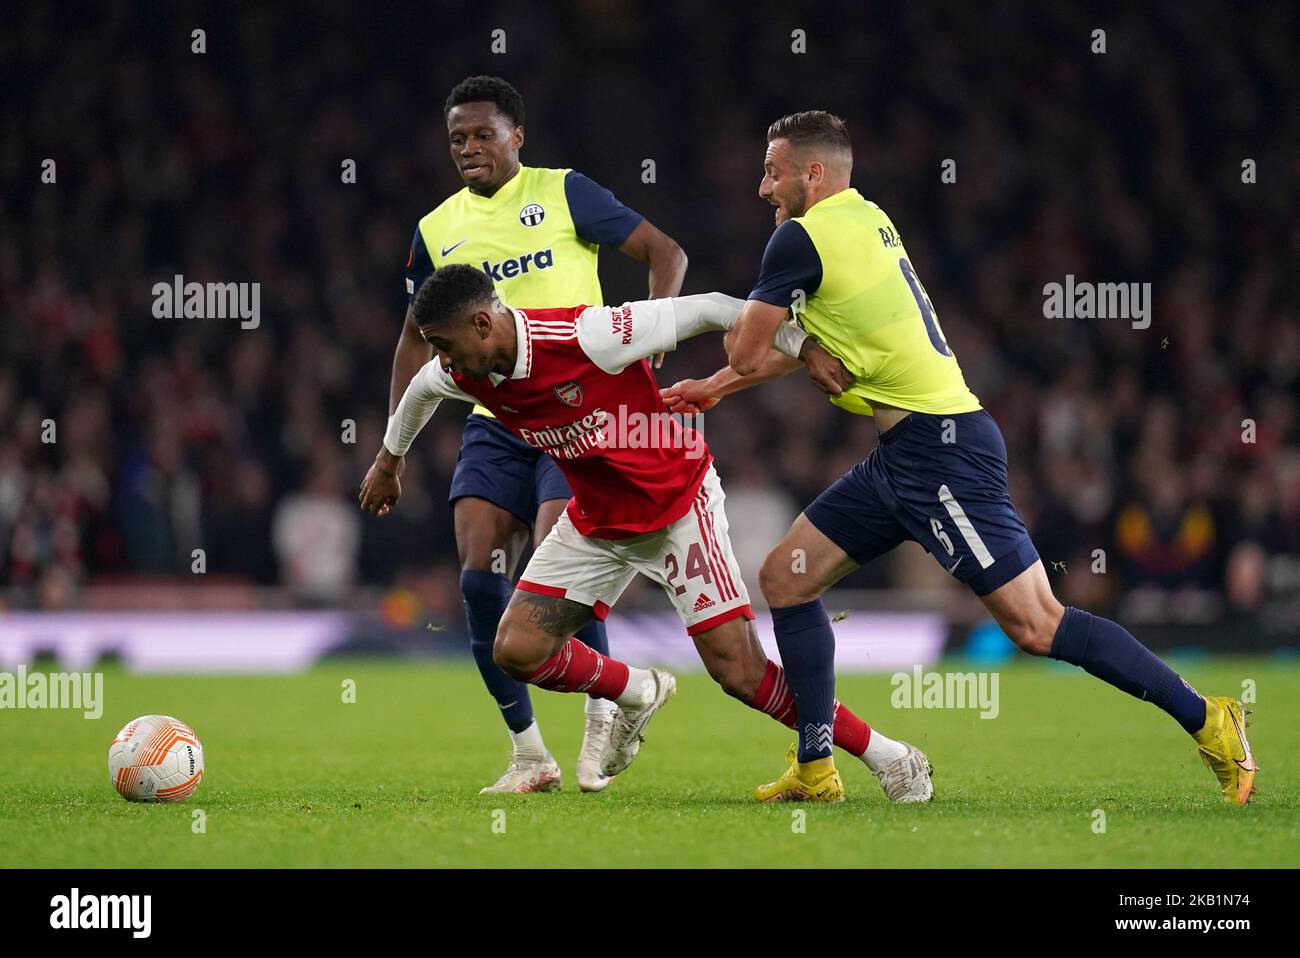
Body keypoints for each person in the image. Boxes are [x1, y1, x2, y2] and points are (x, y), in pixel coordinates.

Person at [662, 110, 1258, 805]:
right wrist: (719, 386)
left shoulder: (800, 239)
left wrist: (752, 359)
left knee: (1037, 624)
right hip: (902, 453)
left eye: (772, 171)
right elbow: (821, 357)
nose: (763, 186)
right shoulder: (863, 220)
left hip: (942, 453)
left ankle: (1211, 718)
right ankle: (817, 767)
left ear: (812, 174)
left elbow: (748, 345)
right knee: (787, 579)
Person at [360, 264, 936, 803]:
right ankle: (637, 689)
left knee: (739, 673)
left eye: (444, 342)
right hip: (597, 522)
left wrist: (803, 346)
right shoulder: (466, 367)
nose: (441, 357)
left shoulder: (591, 335)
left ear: (483, 323)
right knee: (516, 650)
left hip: (677, 506)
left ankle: (888, 755)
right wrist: (389, 461)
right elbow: (420, 391)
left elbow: (714, 308)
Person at [390, 76, 687, 793]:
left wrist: (655, 331)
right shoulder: (436, 229)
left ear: (516, 136)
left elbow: (665, 253)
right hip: (496, 420)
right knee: (477, 579)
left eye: (483, 133)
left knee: (557, 575)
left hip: (580, 415)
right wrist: (390, 448)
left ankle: (605, 711)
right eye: (457, 137)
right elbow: (412, 338)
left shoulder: (565, 193)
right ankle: (530, 754)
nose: (469, 147)